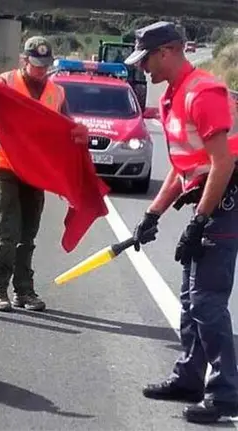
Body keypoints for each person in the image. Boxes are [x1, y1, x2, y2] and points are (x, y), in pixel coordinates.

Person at [125, 21, 238, 424]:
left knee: (208, 303)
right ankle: (190, 378)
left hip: (224, 203)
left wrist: (200, 221)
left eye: (147, 59)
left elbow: (223, 162)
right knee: (191, 301)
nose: (143, 69)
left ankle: (226, 393)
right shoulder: (173, 95)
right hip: (207, 201)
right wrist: (152, 214)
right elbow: (182, 166)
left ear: (170, 51)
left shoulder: (203, 92)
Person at [0, 36, 84, 312]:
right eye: (36, 65)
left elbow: (66, 128)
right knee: (8, 231)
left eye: (45, 66)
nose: (41, 71)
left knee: (28, 235)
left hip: (35, 172)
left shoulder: (57, 93)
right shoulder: (4, 83)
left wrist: (77, 134)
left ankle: (23, 291)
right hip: (4, 167)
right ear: (24, 61)